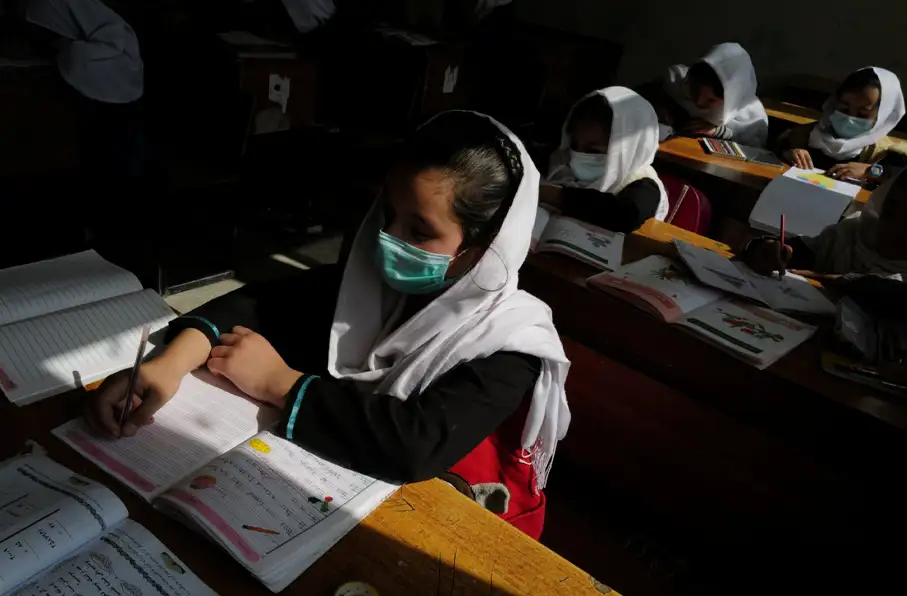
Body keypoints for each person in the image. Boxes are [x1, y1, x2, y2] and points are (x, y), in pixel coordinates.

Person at [83, 111, 571, 540]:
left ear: (485, 248)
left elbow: (413, 445)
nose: (388, 238)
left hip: (449, 518)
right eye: (387, 214)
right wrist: (168, 365)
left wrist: (279, 383)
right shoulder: (372, 285)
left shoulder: (512, 344)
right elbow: (256, 304)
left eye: (420, 230)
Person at [741, 168, 907, 309]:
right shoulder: (855, 233)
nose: (894, 227)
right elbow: (806, 251)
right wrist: (768, 248)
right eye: (890, 211)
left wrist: (843, 282)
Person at [25, 0, 146, 180]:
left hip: (117, 98)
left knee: (121, 162)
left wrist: (65, 50)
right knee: (101, 159)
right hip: (108, 97)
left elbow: (82, 57)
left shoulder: (108, 32)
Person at [542, 86, 669, 232]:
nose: (578, 155)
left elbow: (624, 216)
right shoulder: (561, 164)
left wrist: (555, 195)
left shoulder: (644, 185)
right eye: (574, 145)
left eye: (593, 150)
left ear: (628, 149)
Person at [778, 67, 907, 181]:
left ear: (883, 117)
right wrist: (786, 155)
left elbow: (898, 177)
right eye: (844, 109)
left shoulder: (884, 154)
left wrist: (872, 171)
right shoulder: (803, 135)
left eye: (862, 114)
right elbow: (774, 152)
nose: (849, 118)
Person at [658, 42, 768, 147]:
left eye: (710, 100)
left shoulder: (750, 116)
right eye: (694, 91)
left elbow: (753, 149)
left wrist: (721, 132)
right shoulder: (674, 82)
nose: (699, 102)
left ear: (731, 100)